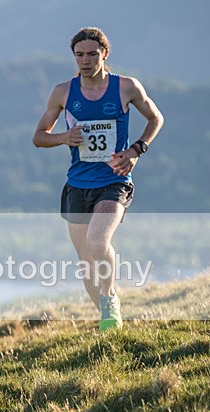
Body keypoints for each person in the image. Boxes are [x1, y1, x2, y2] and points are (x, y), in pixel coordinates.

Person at [32, 27, 164, 331]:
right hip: (78, 185)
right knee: (86, 264)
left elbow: (156, 118)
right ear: (74, 57)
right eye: (80, 55)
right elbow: (39, 137)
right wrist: (65, 137)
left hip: (114, 181)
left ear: (105, 54)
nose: (86, 60)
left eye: (92, 54)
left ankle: (110, 298)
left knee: (97, 240)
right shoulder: (63, 92)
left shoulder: (126, 87)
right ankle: (107, 318)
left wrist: (136, 149)